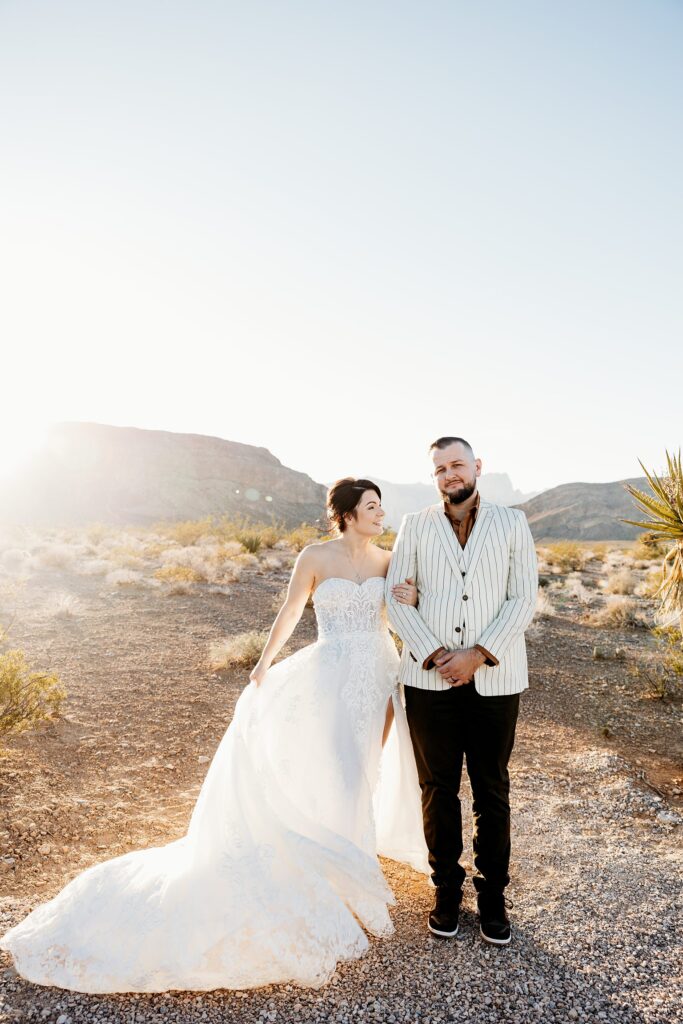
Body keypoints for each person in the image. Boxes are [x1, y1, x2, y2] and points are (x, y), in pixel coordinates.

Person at [0, 478, 428, 993]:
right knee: (336, 763)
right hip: (332, 675)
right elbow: (291, 611)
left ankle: (351, 862)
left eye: (382, 506)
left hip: (378, 674)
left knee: (365, 769)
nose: (382, 514)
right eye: (372, 506)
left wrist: (411, 595)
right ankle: (334, 871)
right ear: (347, 513)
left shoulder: (389, 559)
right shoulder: (315, 556)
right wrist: (263, 665)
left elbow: (406, 610)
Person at [385, 437, 538, 946]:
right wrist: (433, 653)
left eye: (457, 464)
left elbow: (523, 597)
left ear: (478, 467)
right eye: (440, 468)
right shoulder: (415, 524)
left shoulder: (513, 523)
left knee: (492, 790)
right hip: (428, 681)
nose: (450, 474)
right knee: (438, 789)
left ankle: (493, 897)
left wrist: (478, 654)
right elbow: (397, 598)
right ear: (435, 477)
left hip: (496, 678)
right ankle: (446, 891)